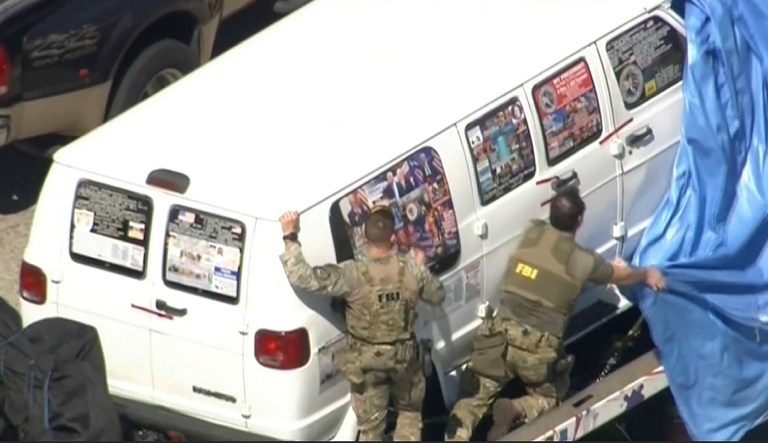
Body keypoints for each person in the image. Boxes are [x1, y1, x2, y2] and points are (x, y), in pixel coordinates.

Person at [444, 187, 667, 441]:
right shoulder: (582, 261)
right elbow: (620, 276)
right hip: (537, 351)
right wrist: (646, 274)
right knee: (550, 397)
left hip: (499, 337)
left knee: (470, 400)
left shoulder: (532, 231)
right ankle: (515, 408)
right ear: (580, 221)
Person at [279, 206, 446, 441]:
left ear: (363, 238)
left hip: (368, 365)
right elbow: (438, 295)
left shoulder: (352, 274)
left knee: (370, 429)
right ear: (392, 238)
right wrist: (420, 267)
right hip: (404, 361)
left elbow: (302, 277)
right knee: (409, 417)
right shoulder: (411, 270)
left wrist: (290, 236)